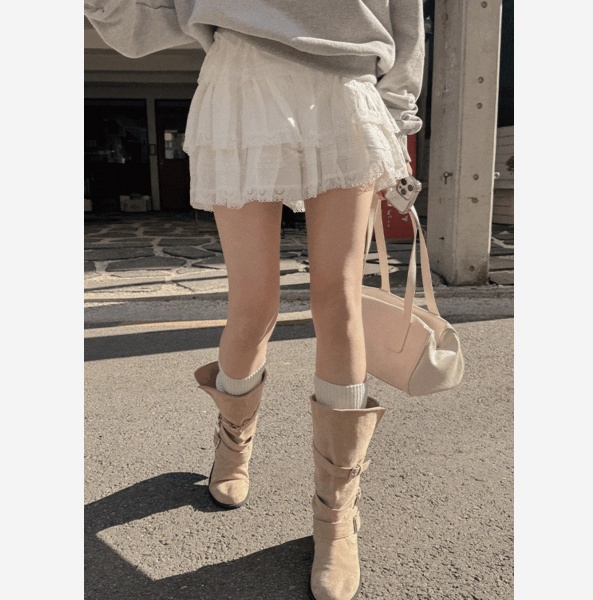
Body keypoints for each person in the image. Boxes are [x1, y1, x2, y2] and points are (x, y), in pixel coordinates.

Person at [84, 2, 425, 598]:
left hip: (346, 88)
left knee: (338, 301)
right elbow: (142, 26)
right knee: (253, 305)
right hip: (243, 79)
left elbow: (405, 20)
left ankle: (336, 512)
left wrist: (395, 119)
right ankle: (234, 440)